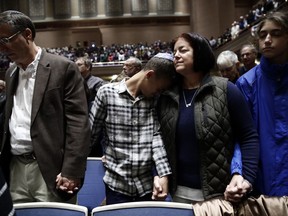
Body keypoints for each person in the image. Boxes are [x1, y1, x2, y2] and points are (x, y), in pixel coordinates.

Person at [154, 33, 259, 207]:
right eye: (174, 52)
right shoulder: (166, 96)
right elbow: (157, 140)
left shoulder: (226, 89)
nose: (176, 55)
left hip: (220, 194)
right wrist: (157, 174)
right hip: (176, 194)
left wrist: (245, 177)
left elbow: (249, 137)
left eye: (183, 50)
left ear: (200, 53)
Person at [0, 10, 90, 203]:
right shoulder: (10, 72)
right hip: (16, 167)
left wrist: (71, 170)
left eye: (5, 39)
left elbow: (78, 123)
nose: (2, 48)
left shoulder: (63, 67)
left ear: (27, 34)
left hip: (50, 170)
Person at [89, 53, 176, 205]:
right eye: (159, 88)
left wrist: (163, 174)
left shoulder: (154, 100)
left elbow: (156, 136)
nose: (159, 93)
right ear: (149, 75)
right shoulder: (106, 93)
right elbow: (90, 135)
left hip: (147, 186)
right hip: (116, 185)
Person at [236, 11, 288, 197]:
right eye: (263, 35)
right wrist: (240, 175)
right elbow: (240, 137)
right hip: (262, 183)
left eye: (276, 34)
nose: (267, 40)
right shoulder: (246, 83)